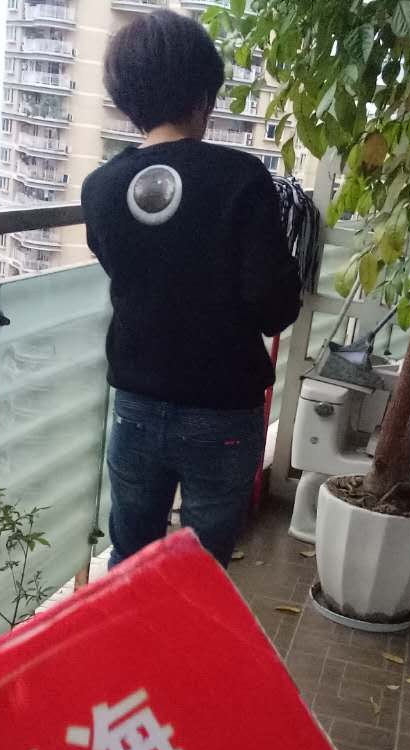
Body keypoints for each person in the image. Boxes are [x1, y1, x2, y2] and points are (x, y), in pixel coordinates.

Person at [82, 9, 302, 569]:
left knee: (129, 562)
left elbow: (120, 266)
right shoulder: (243, 179)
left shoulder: (101, 188)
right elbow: (274, 308)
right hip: (224, 411)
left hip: (135, 405)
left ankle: (131, 631)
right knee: (203, 571)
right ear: (204, 95)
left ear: (127, 100)